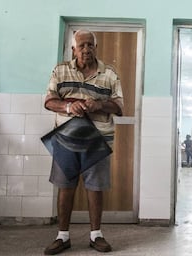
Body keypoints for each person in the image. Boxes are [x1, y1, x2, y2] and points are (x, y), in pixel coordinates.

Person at [43, 30, 123, 255]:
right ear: (73, 50)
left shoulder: (109, 74)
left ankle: (96, 235)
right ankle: (62, 236)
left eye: (90, 45)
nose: (86, 49)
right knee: (65, 187)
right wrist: (69, 107)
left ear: (95, 48)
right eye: (81, 46)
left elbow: (119, 106)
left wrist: (100, 104)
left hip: (98, 141)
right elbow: (49, 101)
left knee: (95, 188)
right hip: (65, 139)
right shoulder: (60, 71)